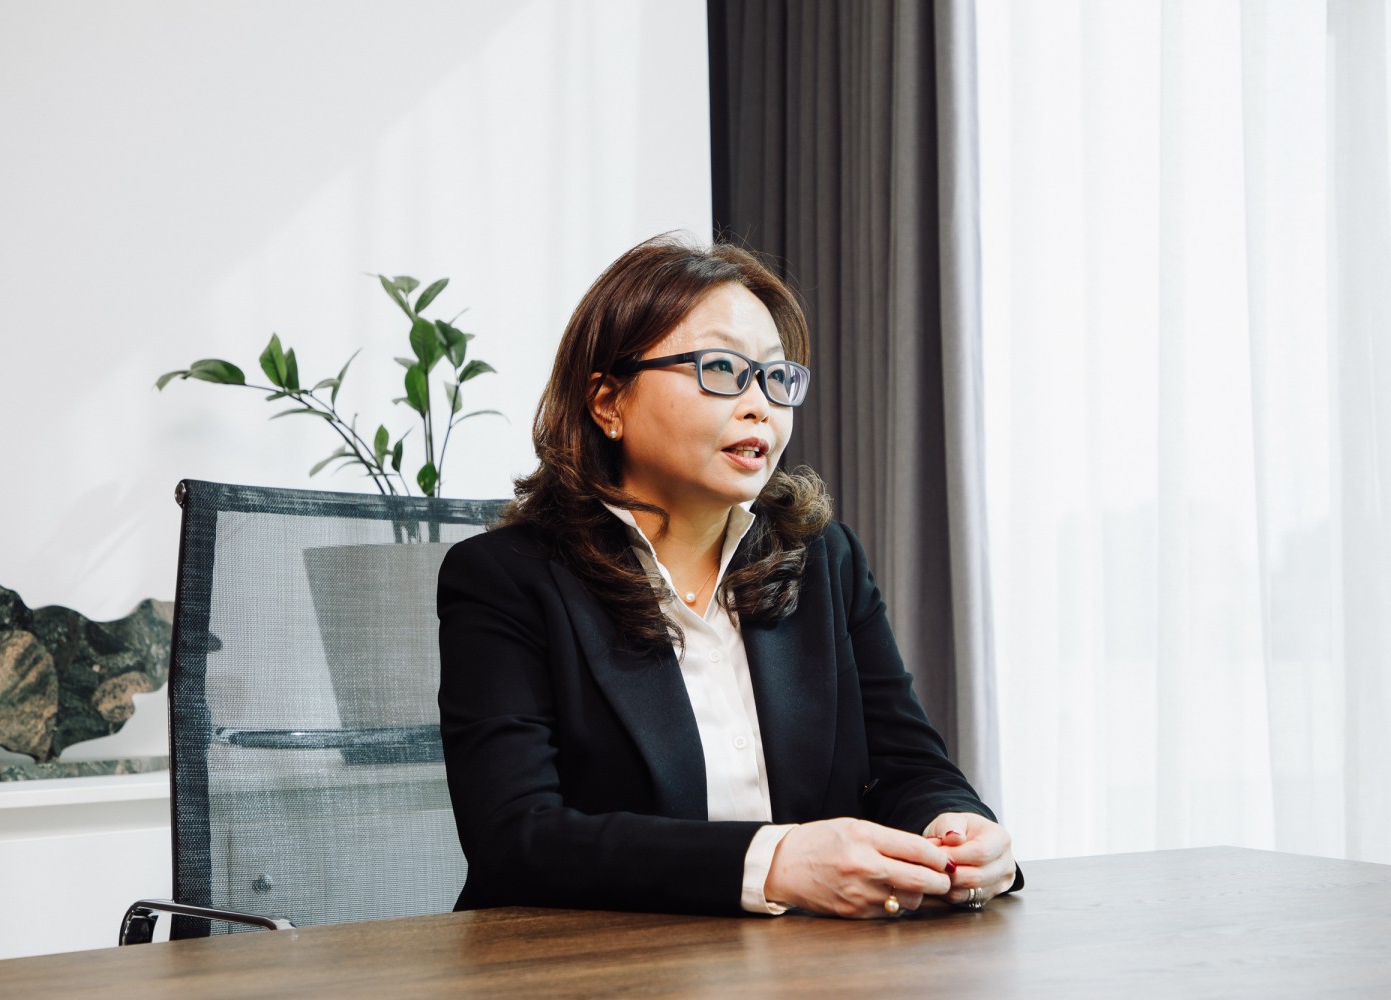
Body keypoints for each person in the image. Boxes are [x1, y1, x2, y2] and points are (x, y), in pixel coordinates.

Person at [437, 234, 1019, 918]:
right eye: (721, 368)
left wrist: (957, 828)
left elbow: (908, 765)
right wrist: (775, 863)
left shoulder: (823, 559)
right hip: (590, 961)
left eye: (776, 377)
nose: (760, 405)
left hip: (809, 960)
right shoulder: (506, 579)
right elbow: (516, 838)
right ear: (608, 402)